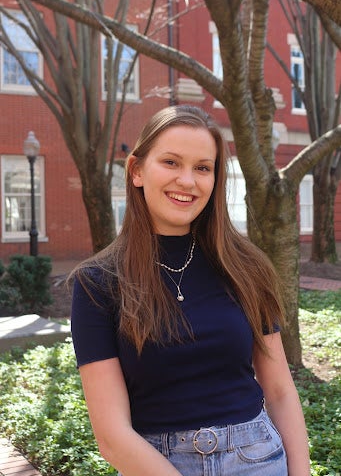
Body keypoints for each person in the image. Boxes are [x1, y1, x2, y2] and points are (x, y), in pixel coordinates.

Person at [71, 105, 310, 476]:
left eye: (202, 167)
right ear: (136, 170)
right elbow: (112, 435)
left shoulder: (247, 267)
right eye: (171, 162)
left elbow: (279, 390)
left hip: (257, 460)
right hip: (153, 465)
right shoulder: (98, 281)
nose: (188, 180)